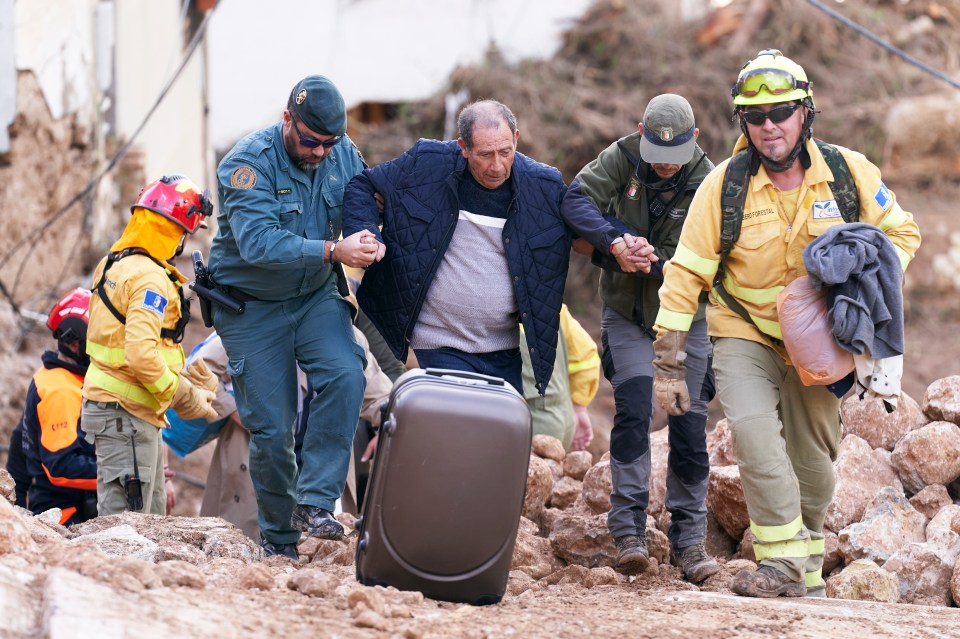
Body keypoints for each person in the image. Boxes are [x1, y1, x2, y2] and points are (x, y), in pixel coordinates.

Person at [652, 50, 921, 597]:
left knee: (814, 459)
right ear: (743, 123)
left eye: (780, 111)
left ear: (805, 113)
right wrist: (668, 364)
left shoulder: (849, 173)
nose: (768, 124)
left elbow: (902, 235)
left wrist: (862, 271)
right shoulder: (723, 186)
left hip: (821, 340)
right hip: (743, 327)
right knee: (752, 432)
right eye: (755, 116)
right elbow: (685, 273)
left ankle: (809, 572)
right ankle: (778, 564)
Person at [342, 99, 656, 397]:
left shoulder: (541, 186)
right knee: (462, 431)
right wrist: (367, 232)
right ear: (463, 147)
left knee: (500, 436)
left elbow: (581, 230)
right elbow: (363, 185)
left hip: (503, 349)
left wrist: (621, 244)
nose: (497, 165)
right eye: (485, 154)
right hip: (439, 341)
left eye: (506, 151)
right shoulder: (427, 163)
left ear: (516, 138)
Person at [207, 75, 379, 559]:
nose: (321, 152)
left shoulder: (341, 152)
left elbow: (363, 198)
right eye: (310, 141)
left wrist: (368, 235)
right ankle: (279, 540)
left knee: (347, 374)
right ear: (287, 120)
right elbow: (258, 242)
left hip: (314, 295)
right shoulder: (246, 165)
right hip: (252, 305)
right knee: (272, 430)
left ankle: (316, 503)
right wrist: (333, 249)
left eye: (330, 142)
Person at [560, 94, 719, 583]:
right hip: (627, 315)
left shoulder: (712, 181)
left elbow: (713, 255)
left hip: (685, 321)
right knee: (631, 408)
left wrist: (649, 259)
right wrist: (614, 243)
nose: (665, 167)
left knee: (689, 423)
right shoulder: (624, 156)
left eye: (676, 158)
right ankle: (628, 530)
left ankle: (690, 537)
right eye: (657, 155)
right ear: (640, 133)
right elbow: (574, 200)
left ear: (694, 139)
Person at [82, 175, 218, 517]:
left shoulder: (114, 262)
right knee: (129, 527)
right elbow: (141, 355)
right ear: (175, 232)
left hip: (126, 412)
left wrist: (178, 372)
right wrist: (183, 394)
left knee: (151, 517)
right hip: (127, 414)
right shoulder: (150, 279)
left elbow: (124, 339)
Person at [5, 289, 97, 525]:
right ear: (75, 343)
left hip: (64, 509)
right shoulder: (61, 391)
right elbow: (61, 467)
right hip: (66, 517)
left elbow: (19, 439)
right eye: (97, 339)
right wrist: (121, 472)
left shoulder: (55, 376)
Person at [520, 304, 600, 452]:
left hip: (532, 424)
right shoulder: (553, 305)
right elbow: (587, 356)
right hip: (565, 419)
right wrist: (579, 408)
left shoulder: (499, 307)